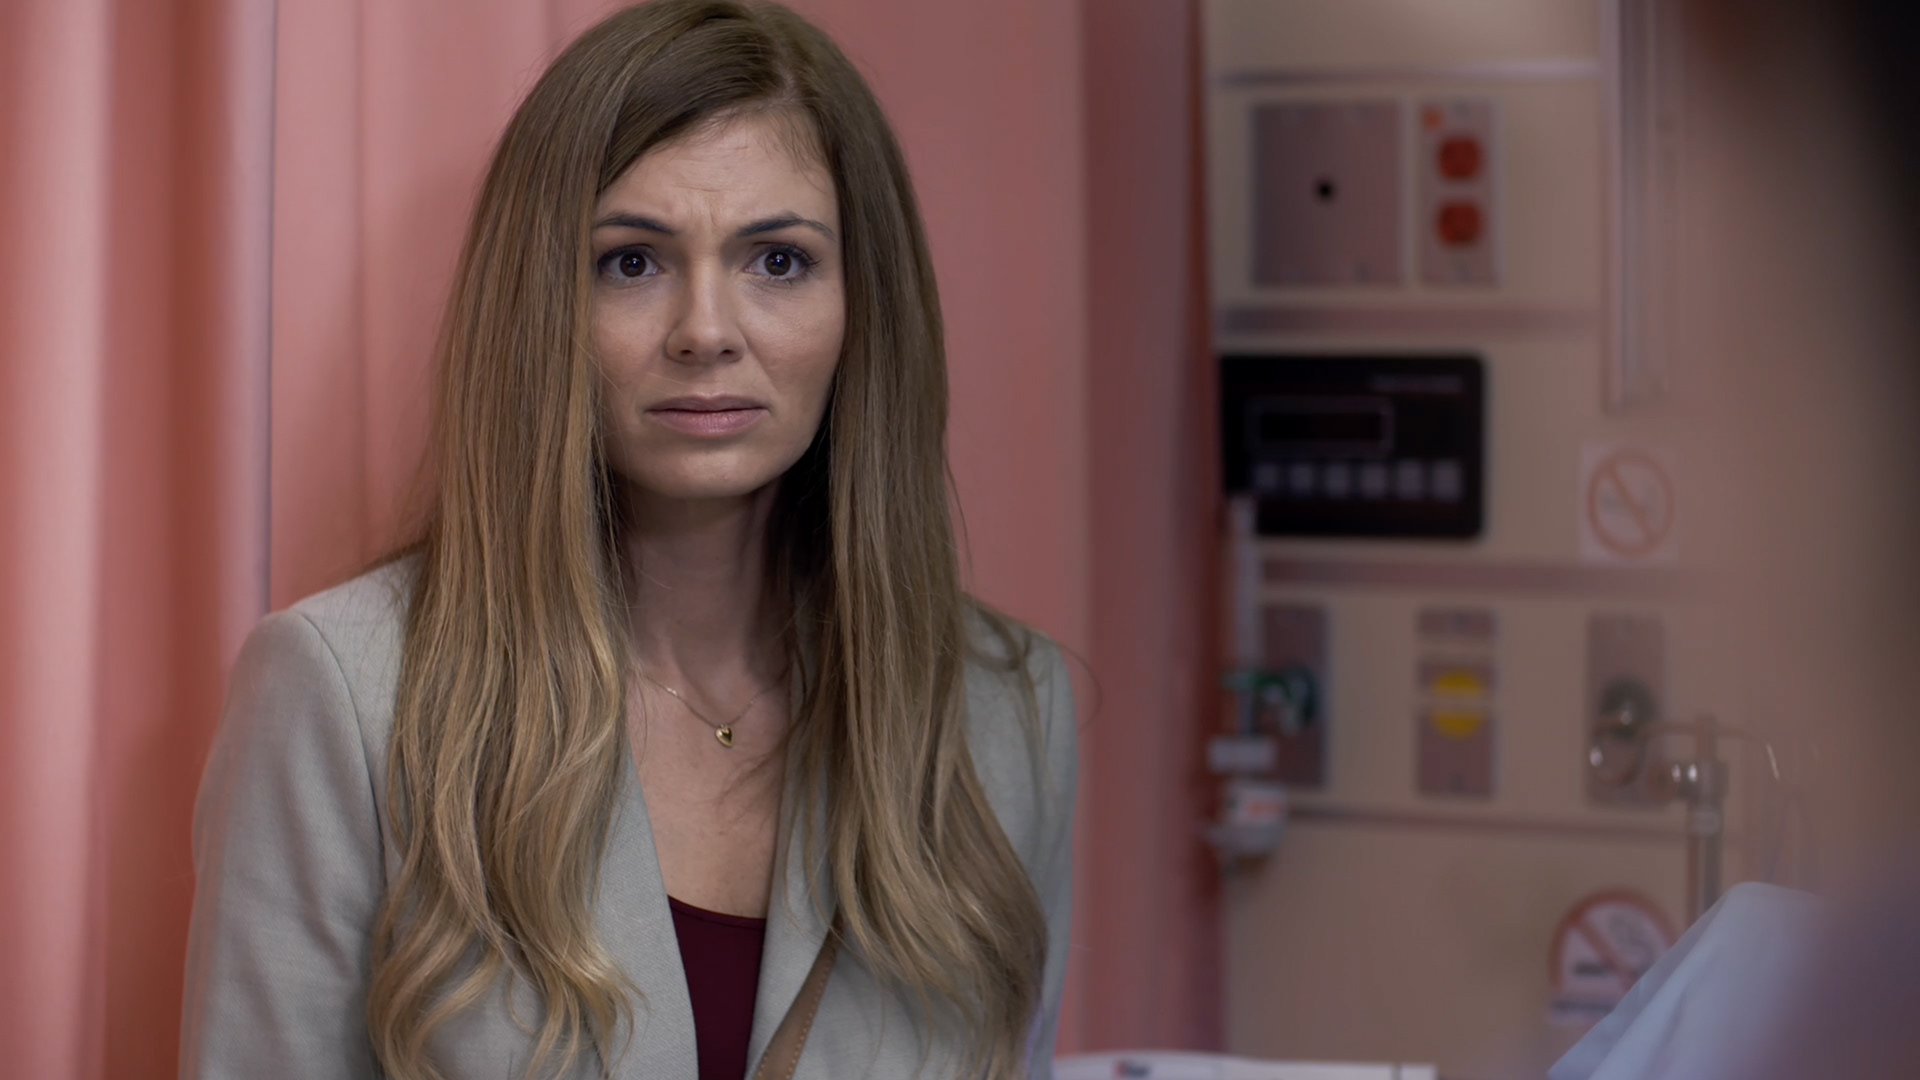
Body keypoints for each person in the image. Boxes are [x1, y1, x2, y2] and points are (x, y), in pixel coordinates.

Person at [176, 3, 1077, 1078]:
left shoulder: (1010, 711)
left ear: (863, 305)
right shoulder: (343, 693)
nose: (707, 331)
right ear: (541, 303)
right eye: (633, 262)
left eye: (778, 260)